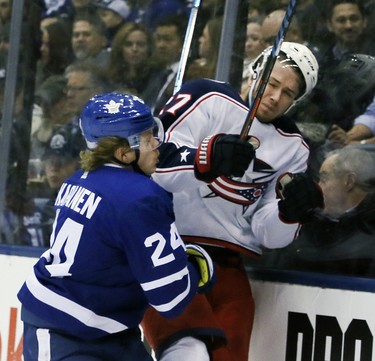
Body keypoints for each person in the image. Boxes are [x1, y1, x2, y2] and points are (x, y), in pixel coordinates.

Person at [141, 41, 320, 361]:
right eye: (272, 83)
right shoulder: (205, 96)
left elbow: (267, 234)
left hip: (230, 268)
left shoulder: (295, 148)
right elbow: (156, 164)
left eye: (288, 93)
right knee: (186, 354)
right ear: (256, 72)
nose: (275, 97)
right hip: (168, 253)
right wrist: (206, 160)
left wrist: (289, 215)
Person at [17, 92, 215, 361]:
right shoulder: (139, 196)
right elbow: (171, 298)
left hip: (102, 329)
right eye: (147, 139)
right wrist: (193, 270)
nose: (157, 144)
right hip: (66, 334)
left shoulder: (79, 179)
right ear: (123, 153)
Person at [262, 147, 375, 277]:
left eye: (324, 179)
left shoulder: (370, 229)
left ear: (348, 181)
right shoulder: (309, 218)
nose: (319, 186)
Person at [142, 15, 186, 115]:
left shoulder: (188, 74)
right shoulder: (155, 71)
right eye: (158, 39)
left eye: (168, 39)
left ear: (183, 42)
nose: (161, 45)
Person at [108, 22, 163, 95]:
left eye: (140, 44)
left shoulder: (159, 77)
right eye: (128, 44)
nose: (134, 49)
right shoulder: (111, 76)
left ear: (149, 48)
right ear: (120, 48)